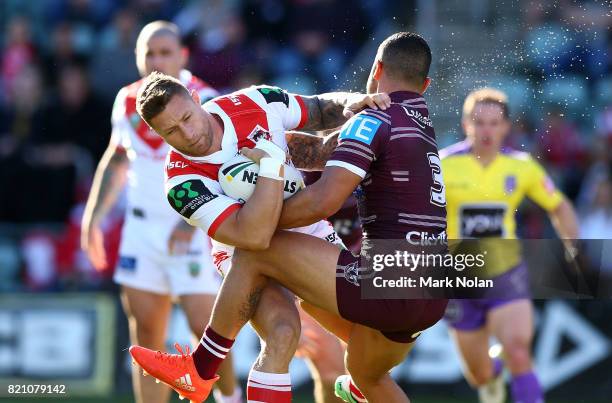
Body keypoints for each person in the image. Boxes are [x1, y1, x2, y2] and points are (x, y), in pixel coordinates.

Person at [129, 32, 448, 403]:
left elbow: (321, 110)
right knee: (283, 331)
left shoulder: (254, 102)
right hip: (248, 254)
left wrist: (354, 102)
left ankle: (200, 369)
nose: (188, 134)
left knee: (339, 365)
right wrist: (271, 169)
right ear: (155, 134)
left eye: (186, 118)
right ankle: (201, 371)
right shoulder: (181, 182)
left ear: (198, 99)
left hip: (313, 234)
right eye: (171, 132)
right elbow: (249, 237)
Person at [80, 21, 240, 403]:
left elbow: (225, 171)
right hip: (141, 232)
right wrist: (93, 218)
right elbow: (118, 158)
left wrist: (191, 223)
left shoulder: (206, 97)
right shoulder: (127, 99)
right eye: (148, 53)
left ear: (182, 56)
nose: (156, 60)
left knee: (208, 333)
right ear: (137, 57)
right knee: (147, 338)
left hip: (195, 230)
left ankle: (231, 398)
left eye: (165, 52)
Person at [440, 88, 579, 403]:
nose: (486, 131)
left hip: (507, 274)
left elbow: (559, 206)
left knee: (519, 351)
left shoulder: (522, 166)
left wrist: (574, 246)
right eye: (479, 122)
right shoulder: (443, 166)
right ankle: (493, 371)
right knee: (480, 375)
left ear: (506, 126)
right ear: (466, 125)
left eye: (494, 123)